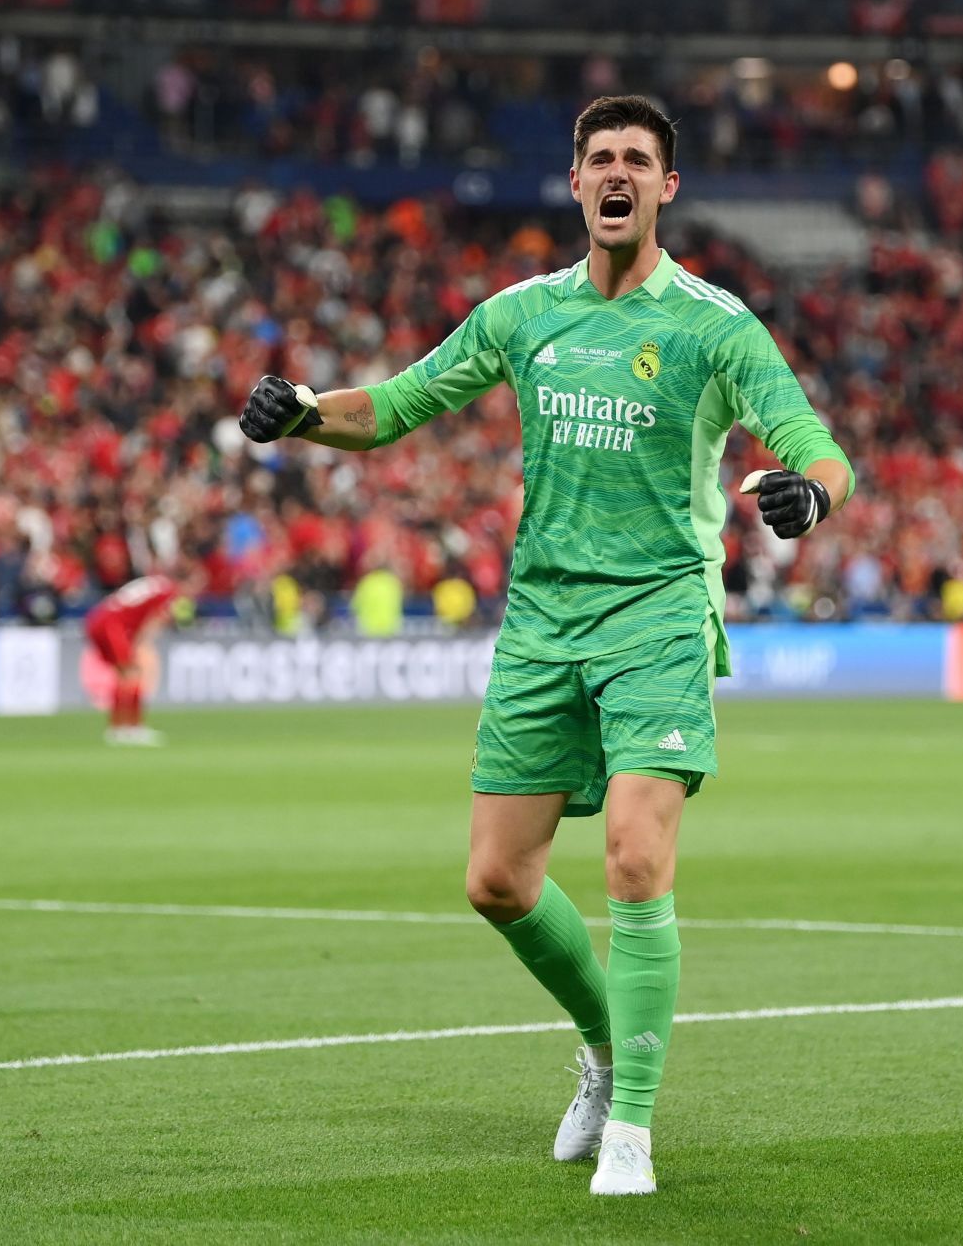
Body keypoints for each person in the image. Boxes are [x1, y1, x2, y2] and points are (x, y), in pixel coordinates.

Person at [239, 95, 854, 1196]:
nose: (617, 173)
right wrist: (300, 414)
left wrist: (813, 493)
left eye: (638, 161)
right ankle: (607, 1053)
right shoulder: (524, 315)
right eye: (600, 158)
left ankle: (636, 1134)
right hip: (541, 622)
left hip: (658, 614)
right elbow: (395, 405)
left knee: (633, 853)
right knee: (496, 879)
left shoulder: (715, 324)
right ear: (574, 183)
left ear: (667, 189)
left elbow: (812, 443)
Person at [85, 572, 188, 746]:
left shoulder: (156, 583)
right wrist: (140, 642)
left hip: (98, 619)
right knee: (132, 672)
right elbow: (156, 619)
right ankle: (132, 727)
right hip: (112, 624)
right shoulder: (169, 591)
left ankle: (118, 728)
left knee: (123, 674)